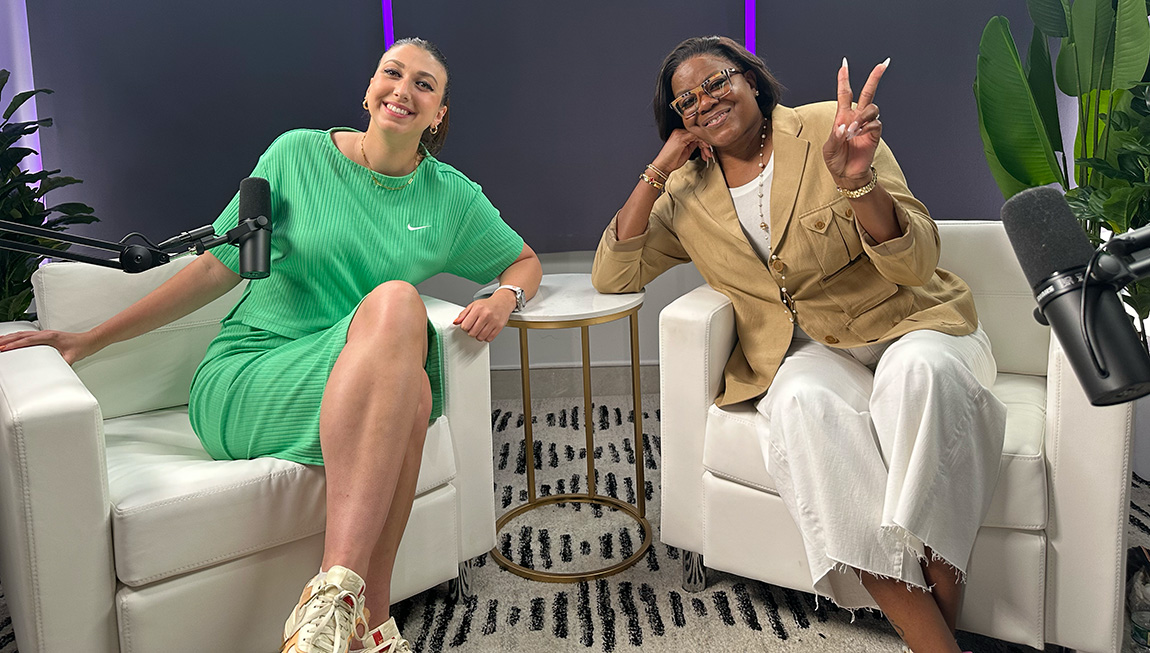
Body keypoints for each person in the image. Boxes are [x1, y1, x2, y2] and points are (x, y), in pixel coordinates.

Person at [0, 37, 541, 653]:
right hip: (251, 374)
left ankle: (353, 622)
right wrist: (89, 340)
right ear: (368, 91)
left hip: (355, 381)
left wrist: (505, 298)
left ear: (439, 113)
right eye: (392, 73)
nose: (403, 90)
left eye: (424, 84)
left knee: (412, 388)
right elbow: (215, 267)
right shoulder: (295, 155)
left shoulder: (451, 197)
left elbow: (523, 261)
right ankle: (340, 605)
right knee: (398, 312)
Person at [591, 35, 1004, 653]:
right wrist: (662, 166)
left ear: (751, 81)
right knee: (799, 407)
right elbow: (613, 272)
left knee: (925, 377)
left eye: (716, 82)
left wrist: (858, 183)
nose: (704, 101)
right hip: (804, 354)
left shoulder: (826, 129)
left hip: (909, 322)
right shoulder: (686, 192)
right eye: (685, 102)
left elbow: (918, 262)